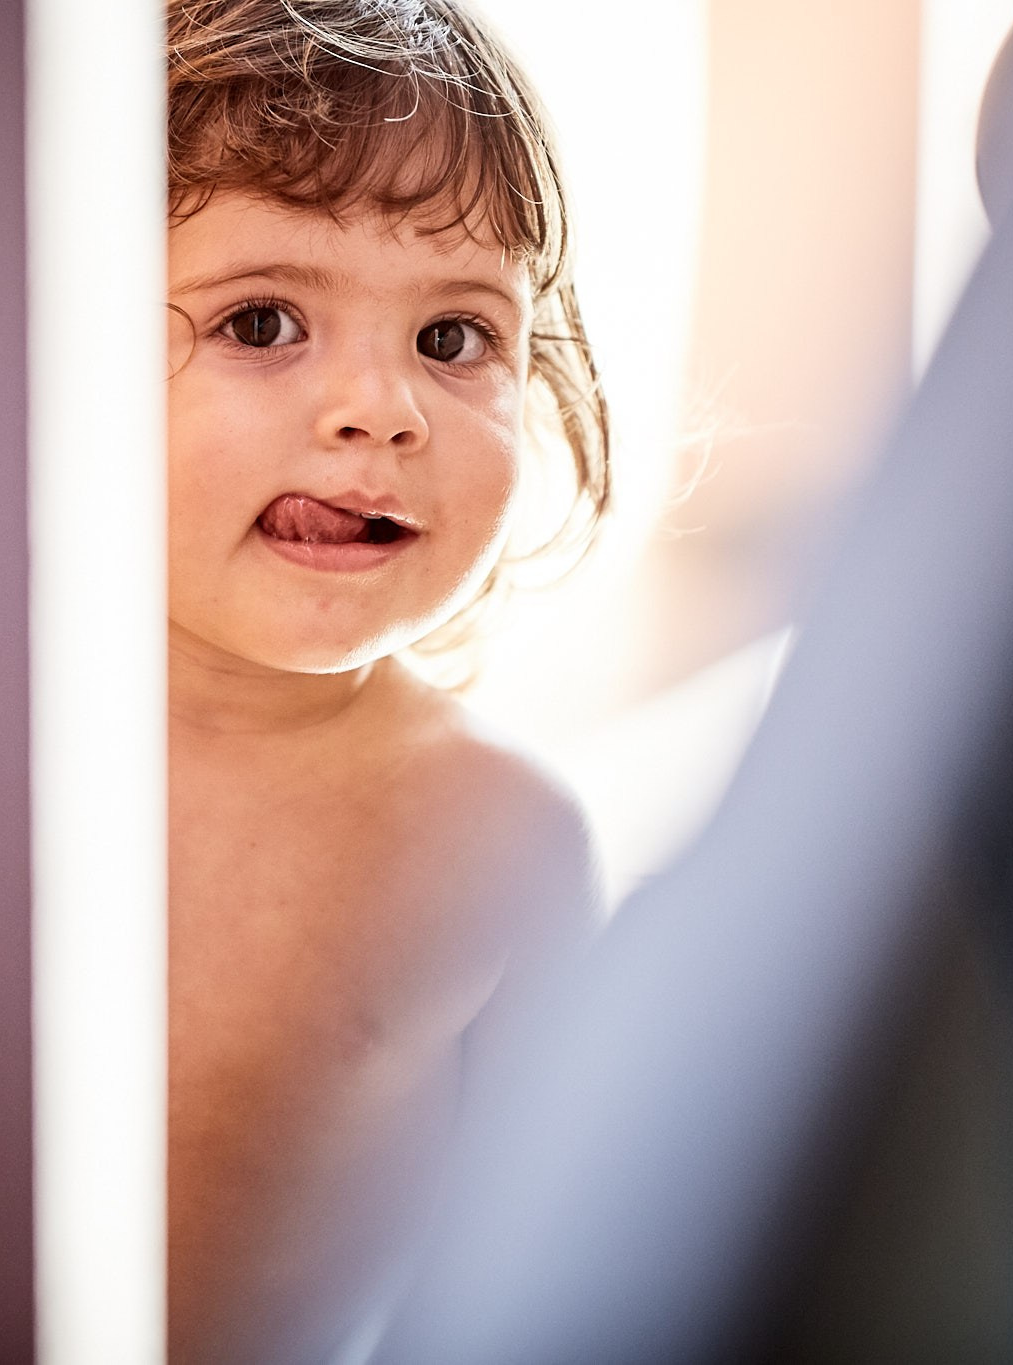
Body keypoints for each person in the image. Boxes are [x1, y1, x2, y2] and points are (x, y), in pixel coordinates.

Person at [162, 1, 612, 1358]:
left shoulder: (498, 839)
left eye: (452, 338)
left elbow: (538, 1277)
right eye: (261, 319)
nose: (381, 408)